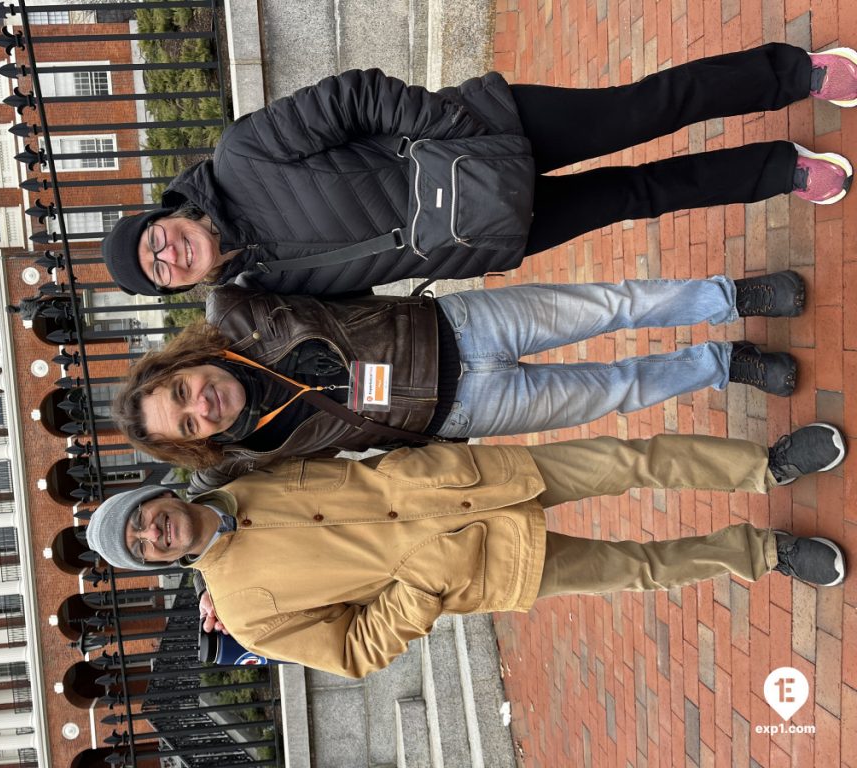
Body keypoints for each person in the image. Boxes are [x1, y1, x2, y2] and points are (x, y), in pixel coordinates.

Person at [85, 424, 847, 678]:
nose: (153, 533)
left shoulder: (243, 466)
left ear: (157, 496)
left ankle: (763, 465)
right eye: (141, 547)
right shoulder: (246, 615)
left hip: (463, 483)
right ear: (155, 563)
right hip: (476, 566)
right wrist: (427, 584)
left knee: (626, 459)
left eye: (142, 518)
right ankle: (764, 552)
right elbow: (354, 651)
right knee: (633, 569)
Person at [100, 44, 857, 296]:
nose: (166, 255)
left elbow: (355, 97)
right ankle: (778, 170)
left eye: (152, 241)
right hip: (489, 234)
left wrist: (450, 128)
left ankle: (795, 74)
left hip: (491, 133)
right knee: (638, 197)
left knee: (644, 109)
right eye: (158, 271)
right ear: (179, 284)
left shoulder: (241, 157)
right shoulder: (264, 284)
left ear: (164, 216)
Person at [113, 271, 805, 493]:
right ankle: (723, 365)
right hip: (465, 409)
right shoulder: (249, 456)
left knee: (613, 305)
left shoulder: (237, 311)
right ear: (198, 443)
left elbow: (259, 231)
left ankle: (729, 297)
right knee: (616, 390)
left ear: (182, 365)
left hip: (461, 326)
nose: (199, 407)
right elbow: (197, 503)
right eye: (189, 426)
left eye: (180, 393)